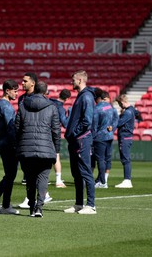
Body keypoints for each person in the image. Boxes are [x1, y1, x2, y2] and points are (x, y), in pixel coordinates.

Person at [15, 81, 61, 217]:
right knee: (43, 178)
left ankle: (31, 207)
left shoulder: (23, 105)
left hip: (26, 149)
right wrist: (56, 149)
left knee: (29, 179)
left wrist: (19, 145)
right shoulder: (52, 107)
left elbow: (17, 127)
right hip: (46, 149)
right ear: (46, 92)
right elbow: (56, 131)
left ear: (34, 89)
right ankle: (39, 208)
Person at [64, 70, 96, 214]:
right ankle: (79, 204)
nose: (72, 83)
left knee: (85, 171)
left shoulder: (86, 97)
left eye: (73, 80)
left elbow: (87, 121)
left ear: (80, 80)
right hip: (75, 140)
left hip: (81, 139)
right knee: (76, 173)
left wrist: (75, 134)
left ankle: (91, 205)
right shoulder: (81, 96)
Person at [0, 79, 20, 215]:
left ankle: (5, 204)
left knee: (9, 174)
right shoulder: (6, 107)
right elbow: (11, 128)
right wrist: (16, 144)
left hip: (1, 142)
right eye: (15, 91)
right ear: (7, 91)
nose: (17, 94)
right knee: (11, 174)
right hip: (9, 144)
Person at [92, 89, 118, 188]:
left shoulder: (96, 109)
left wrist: (92, 137)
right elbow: (116, 120)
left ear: (99, 98)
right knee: (106, 159)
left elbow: (94, 125)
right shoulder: (111, 107)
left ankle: (103, 182)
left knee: (100, 160)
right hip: (109, 136)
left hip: (99, 137)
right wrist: (112, 129)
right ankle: (101, 180)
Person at [49, 88, 72, 188]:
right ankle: (58, 181)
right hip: (54, 132)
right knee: (56, 155)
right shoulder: (61, 108)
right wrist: (70, 114)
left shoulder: (49, 102)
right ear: (67, 99)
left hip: (43, 131)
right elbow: (65, 124)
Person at [115, 94, 136, 188]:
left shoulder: (127, 112)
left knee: (125, 159)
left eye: (119, 103)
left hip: (125, 137)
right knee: (125, 159)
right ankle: (127, 180)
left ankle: (127, 180)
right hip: (126, 137)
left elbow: (119, 123)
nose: (119, 105)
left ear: (122, 102)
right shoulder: (132, 110)